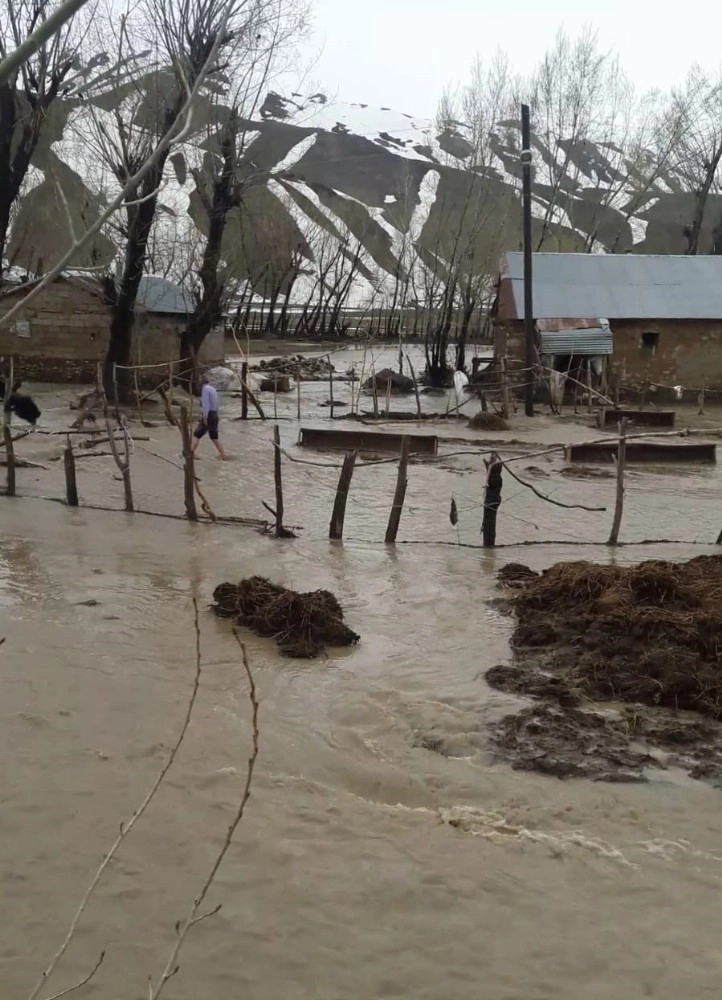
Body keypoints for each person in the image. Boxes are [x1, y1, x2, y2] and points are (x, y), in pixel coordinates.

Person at [191, 375, 227, 460]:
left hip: (209, 415)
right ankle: (223, 454)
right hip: (214, 414)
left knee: (197, 434)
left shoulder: (205, 389)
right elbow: (216, 404)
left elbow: (206, 405)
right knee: (214, 437)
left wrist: (205, 417)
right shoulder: (213, 389)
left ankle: (191, 453)